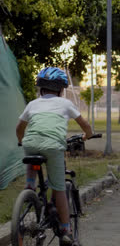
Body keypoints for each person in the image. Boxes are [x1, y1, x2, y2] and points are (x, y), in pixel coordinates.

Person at [16, 67, 93, 245]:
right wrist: (86, 136)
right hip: (53, 147)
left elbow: (19, 128)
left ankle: (29, 190)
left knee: (32, 166)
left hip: (30, 144)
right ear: (60, 89)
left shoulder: (33, 104)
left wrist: (21, 141)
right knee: (58, 188)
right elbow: (85, 125)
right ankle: (66, 229)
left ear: (41, 88)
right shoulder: (65, 104)